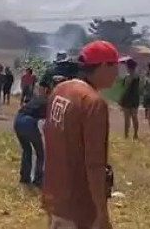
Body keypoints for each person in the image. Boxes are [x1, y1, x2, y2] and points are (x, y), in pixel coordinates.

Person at [42, 40, 118, 229]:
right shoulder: (93, 103)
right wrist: (102, 212)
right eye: (114, 66)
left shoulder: (60, 90)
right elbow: (94, 164)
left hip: (55, 195)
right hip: (79, 204)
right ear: (102, 66)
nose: (117, 73)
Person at [14, 81, 49, 187]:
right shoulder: (48, 101)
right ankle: (38, 180)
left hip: (18, 120)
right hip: (28, 122)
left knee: (27, 149)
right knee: (40, 152)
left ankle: (24, 177)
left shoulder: (37, 98)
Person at [119, 58, 142, 139]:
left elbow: (125, 88)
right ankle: (135, 134)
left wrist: (121, 98)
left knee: (127, 118)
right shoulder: (137, 76)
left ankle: (126, 134)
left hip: (127, 97)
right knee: (134, 117)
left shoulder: (128, 77)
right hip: (135, 97)